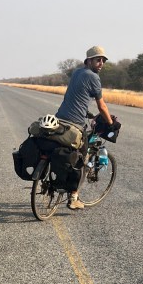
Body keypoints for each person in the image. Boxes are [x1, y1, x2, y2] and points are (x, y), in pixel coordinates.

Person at [56, 45, 115, 210]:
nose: (101, 63)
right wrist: (110, 122)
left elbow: (76, 98)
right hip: (75, 123)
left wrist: (88, 114)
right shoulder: (94, 78)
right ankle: (73, 197)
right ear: (89, 60)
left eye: (103, 60)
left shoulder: (77, 73)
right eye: (98, 60)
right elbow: (102, 106)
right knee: (81, 158)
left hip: (59, 118)